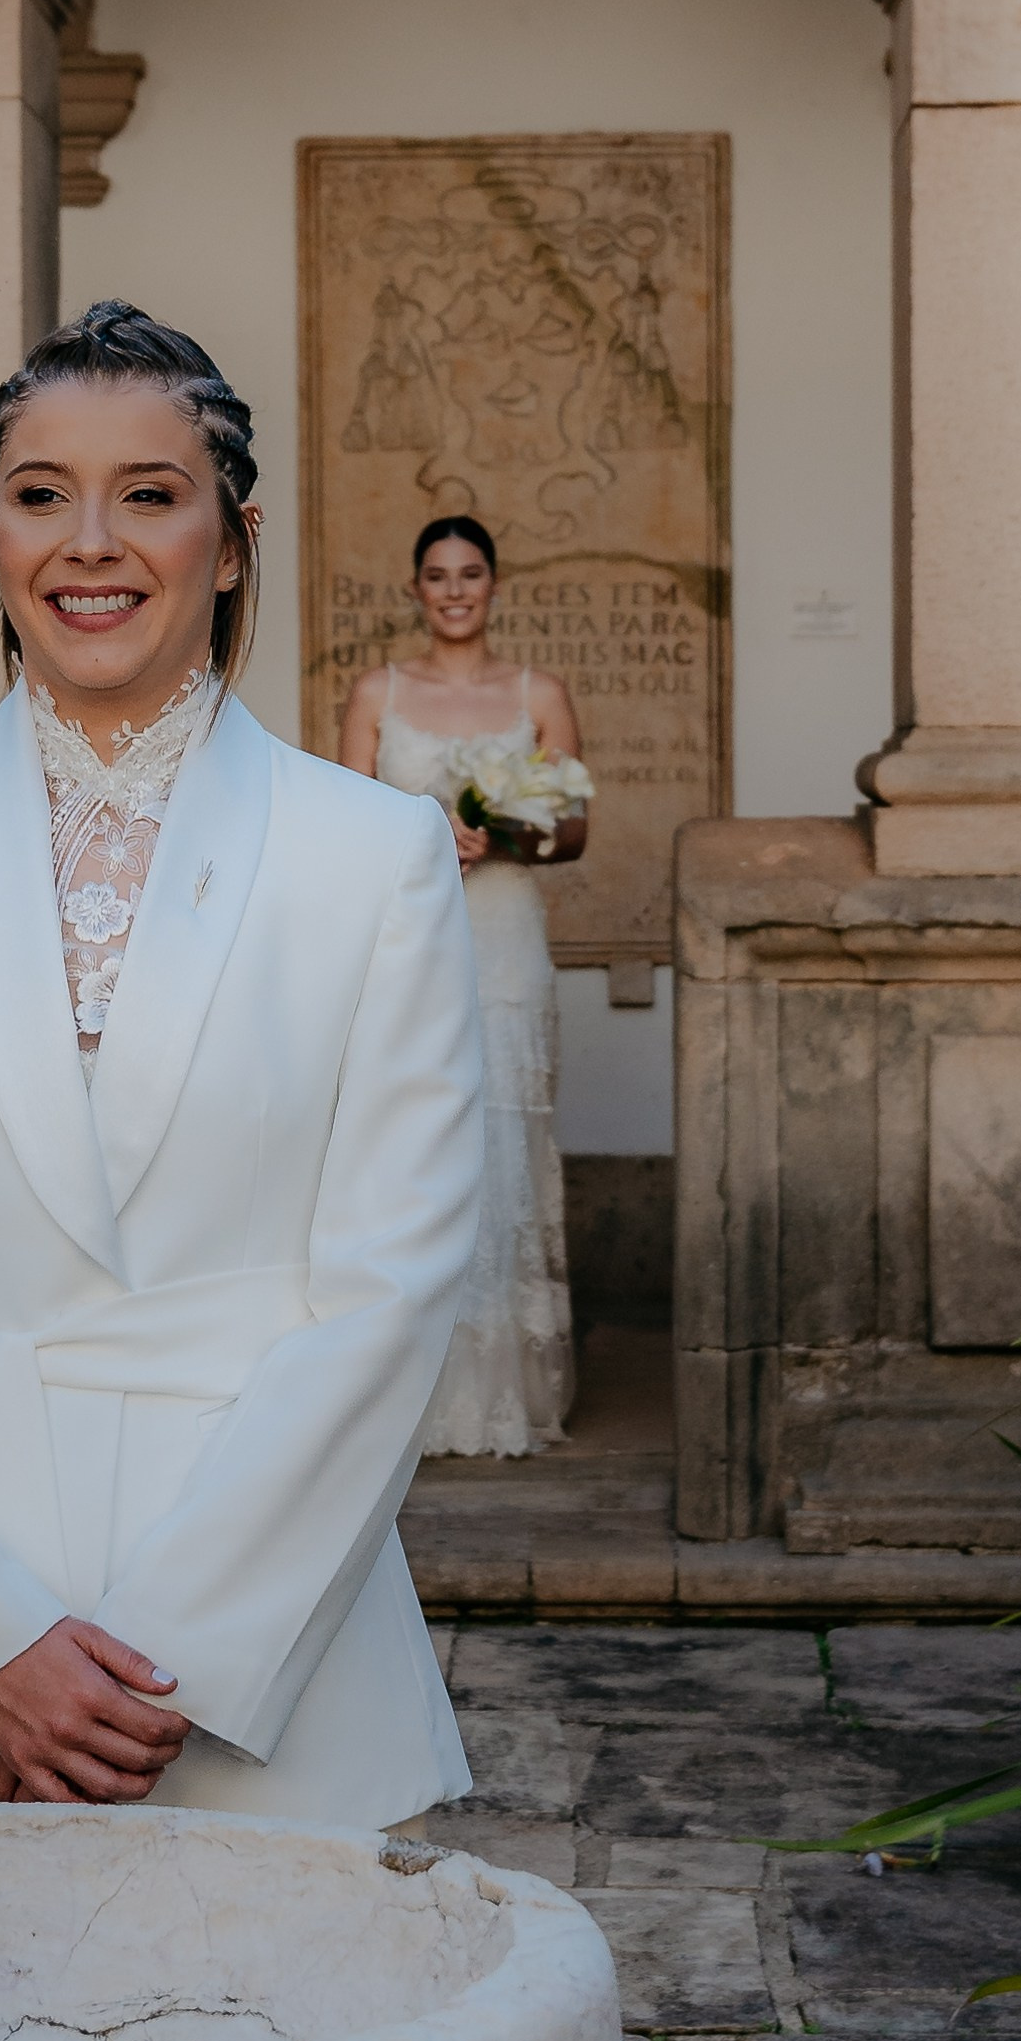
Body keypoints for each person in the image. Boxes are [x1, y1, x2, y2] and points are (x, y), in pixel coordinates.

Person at [0, 302, 483, 1827]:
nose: (92, 542)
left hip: (263, 1659)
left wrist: (162, 1675)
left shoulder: (374, 857)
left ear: (234, 537)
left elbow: (392, 1288)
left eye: (150, 492)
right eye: (41, 492)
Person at [338, 517, 586, 1457]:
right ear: (414, 589)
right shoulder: (377, 692)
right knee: (415, 1139)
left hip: (505, 934)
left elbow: (575, 832)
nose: (453, 590)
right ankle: (412, 1387)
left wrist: (505, 835)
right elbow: (348, 827)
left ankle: (505, 1389)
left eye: (469, 574)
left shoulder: (539, 693)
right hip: (414, 940)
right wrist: (422, 838)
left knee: (506, 1141)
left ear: (493, 585)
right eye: (435, 574)